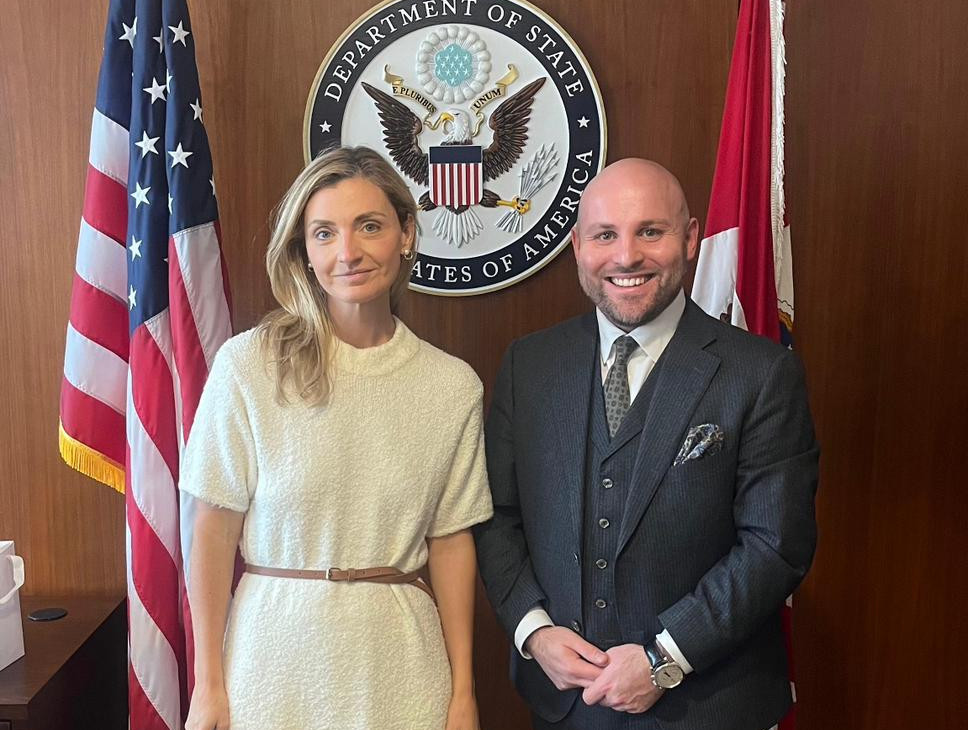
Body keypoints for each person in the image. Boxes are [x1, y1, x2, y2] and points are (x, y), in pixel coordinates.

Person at [474, 158, 819, 730]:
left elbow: (775, 544)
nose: (626, 256)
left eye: (650, 232)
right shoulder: (529, 365)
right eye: (605, 235)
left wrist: (664, 659)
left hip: (711, 706)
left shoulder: (760, 373)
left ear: (690, 239)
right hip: (565, 706)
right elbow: (496, 516)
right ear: (578, 246)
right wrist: (533, 631)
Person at [181, 146, 493, 730]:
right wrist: (208, 686)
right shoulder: (249, 365)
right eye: (324, 233)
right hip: (271, 665)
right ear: (304, 251)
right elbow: (213, 530)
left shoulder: (452, 387)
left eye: (369, 226)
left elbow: (452, 542)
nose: (347, 252)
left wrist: (462, 695)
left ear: (405, 233)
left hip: (403, 668)